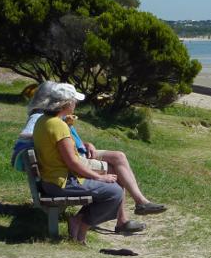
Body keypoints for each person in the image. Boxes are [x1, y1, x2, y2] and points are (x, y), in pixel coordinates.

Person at [13, 81, 166, 218]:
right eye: (73, 101)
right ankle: (120, 219)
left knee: (119, 157)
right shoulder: (47, 120)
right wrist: (98, 177)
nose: (75, 104)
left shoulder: (48, 118)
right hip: (65, 169)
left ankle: (139, 204)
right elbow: (60, 152)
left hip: (70, 159)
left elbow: (57, 140)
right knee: (114, 171)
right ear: (65, 102)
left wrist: (82, 143)